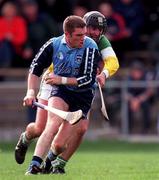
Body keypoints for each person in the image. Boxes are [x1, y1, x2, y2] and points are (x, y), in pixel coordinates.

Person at [15, 12, 119, 174]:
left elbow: (112, 61)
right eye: (91, 28)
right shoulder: (60, 42)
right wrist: (31, 91)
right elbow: (36, 67)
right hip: (53, 82)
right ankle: (26, 138)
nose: (95, 32)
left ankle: (57, 163)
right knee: (41, 128)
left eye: (99, 29)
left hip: (81, 87)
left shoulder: (97, 42)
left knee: (80, 129)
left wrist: (103, 74)